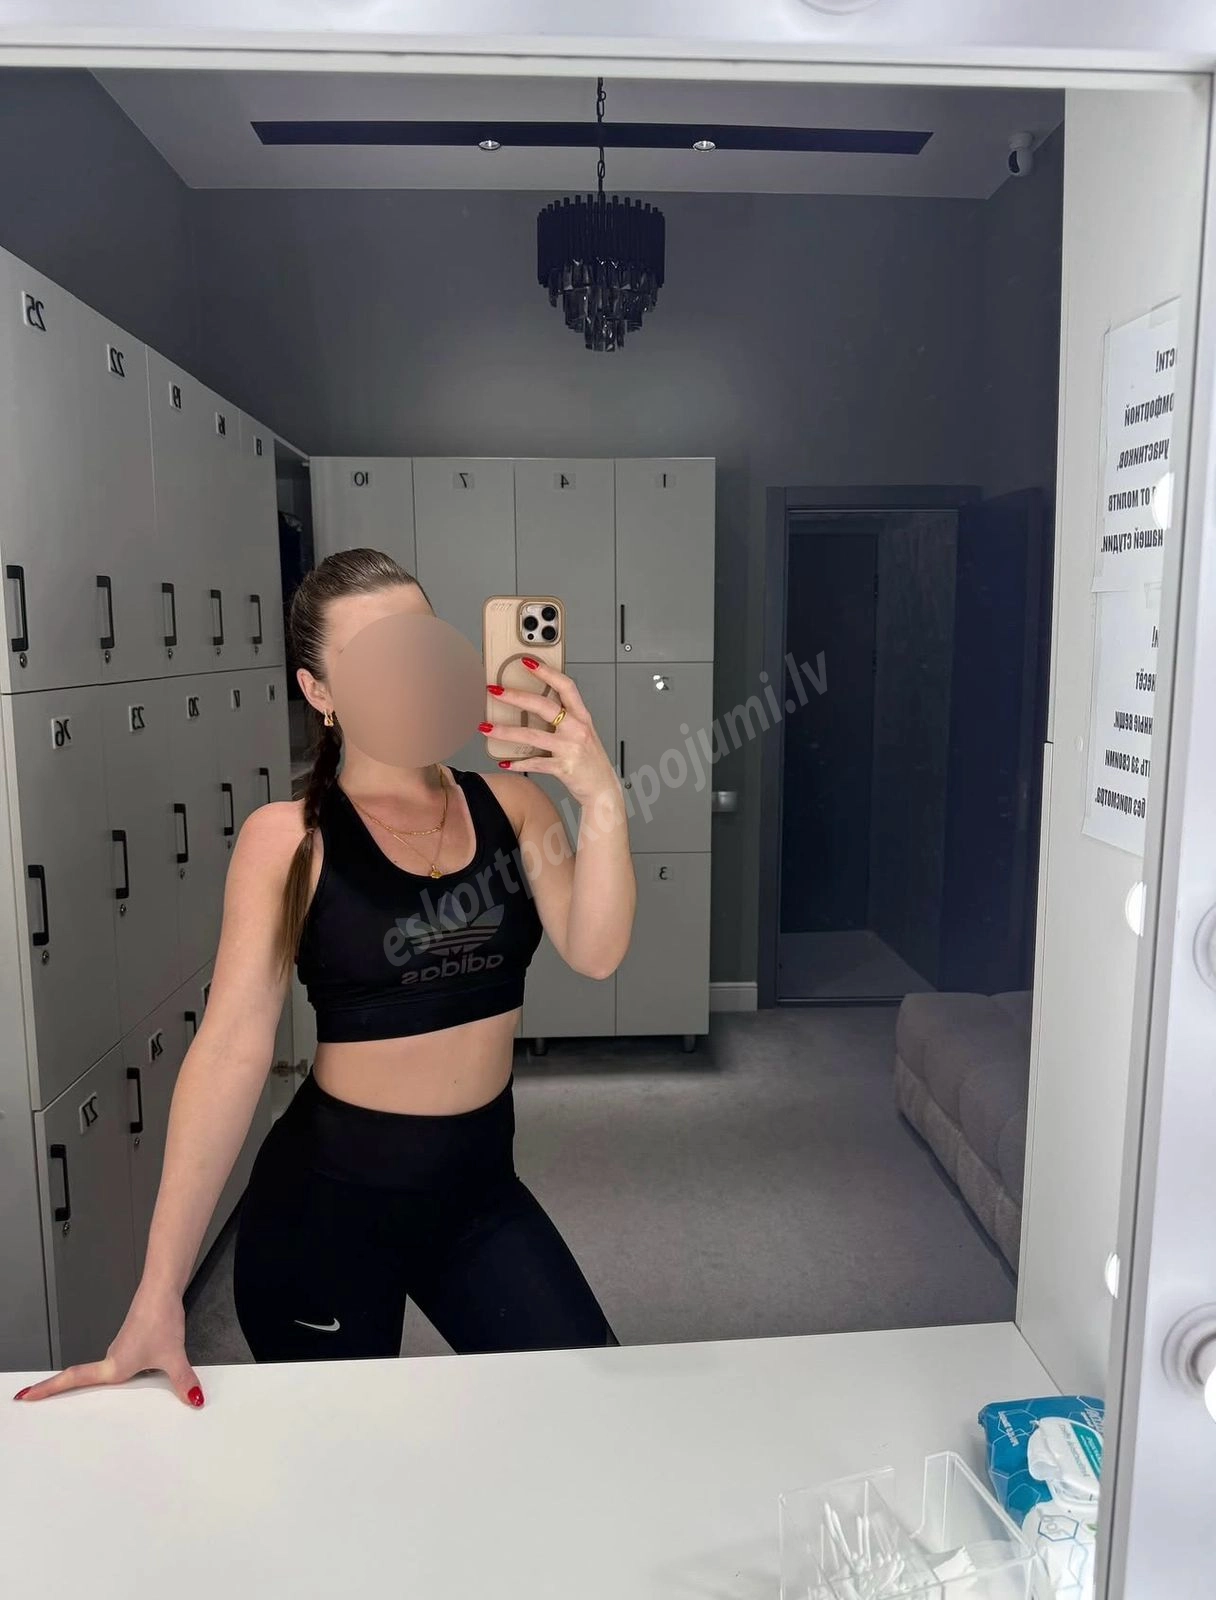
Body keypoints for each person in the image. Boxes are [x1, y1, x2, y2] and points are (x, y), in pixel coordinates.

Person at [13, 548, 635, 1407]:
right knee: (348, 1464)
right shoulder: (288, 839)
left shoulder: (514, 806)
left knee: (597, 1403)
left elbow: (596, 951)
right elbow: (231, 1051)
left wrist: (600, 797)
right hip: (326, 1208)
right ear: (320, 692)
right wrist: (160, 1289)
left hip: (478, 1191)